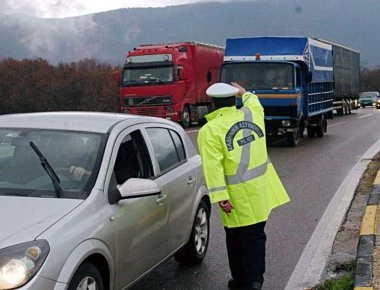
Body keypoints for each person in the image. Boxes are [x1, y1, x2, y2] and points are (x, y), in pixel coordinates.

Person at [197, 82, 290, 290]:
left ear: (213, 105)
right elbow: (255, 102)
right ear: (234, 101)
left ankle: (241, 281)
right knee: (256, 237)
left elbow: (213, 168)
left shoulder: (210, 130)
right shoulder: (252, 114)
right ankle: (255, 280)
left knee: (236, 239)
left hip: (235, 197)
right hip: (260, 191)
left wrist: (221, 197)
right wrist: (245, 92)